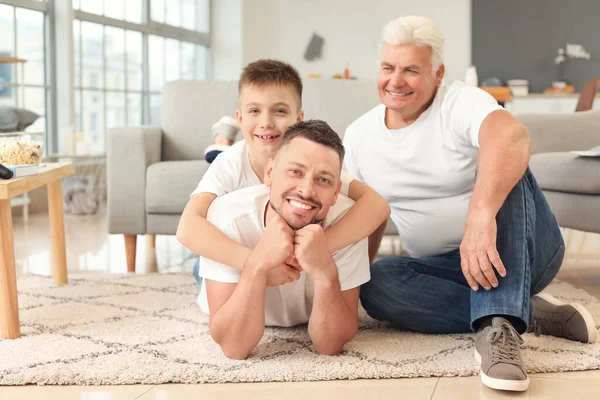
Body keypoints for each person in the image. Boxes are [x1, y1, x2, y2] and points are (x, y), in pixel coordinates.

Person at [342, 16, 597, 392]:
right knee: (376, 284)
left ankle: (499, 331)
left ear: (438, 72)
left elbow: (512, 137)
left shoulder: (459, 100)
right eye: (388, 68)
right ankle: (520, 310)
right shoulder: (360, 134)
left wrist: (480, 218)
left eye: (411, 70)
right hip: (442, 270)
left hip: (522, 252)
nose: (395, 81)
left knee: (508, 165)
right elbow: (367, 213)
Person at [177, 59, 390, 288]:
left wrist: (319, 248)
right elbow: (187, 227)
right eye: (254, 111)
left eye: (279, 111)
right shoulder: (230, 163)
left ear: (299, 119)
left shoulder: (311, 162)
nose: (266, 123)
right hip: (244, 259)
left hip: (289, 264)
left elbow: (378, 206)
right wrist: (254, 263)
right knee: (204, 270)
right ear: (240, 119)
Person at [195, 120, 370, 359]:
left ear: (336, 192)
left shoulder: (349, 222)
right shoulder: (226, 217)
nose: (307, 190)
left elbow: (331, 345)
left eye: (323, 180)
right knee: (200, 273)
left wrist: (325, 273)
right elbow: (234, 348)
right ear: (269, 173)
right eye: (295, 172)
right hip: (232, 279)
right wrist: (257, 264)